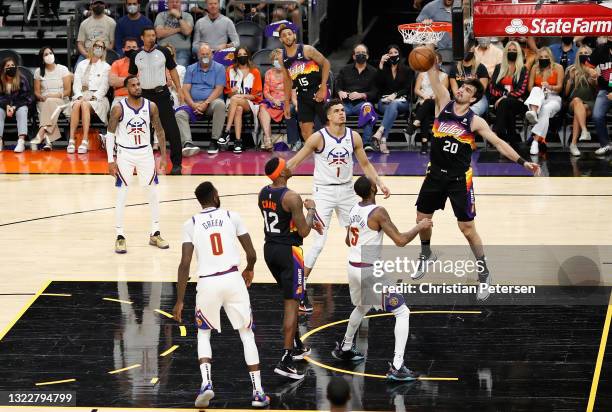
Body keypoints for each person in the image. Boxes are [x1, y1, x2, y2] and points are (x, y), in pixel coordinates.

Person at [412, 61, 540, 302]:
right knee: (422, 220)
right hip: (435, 175)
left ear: (473, 99)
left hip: (459, 179)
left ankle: (484, 273)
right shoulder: (443, 103)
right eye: (461, 88)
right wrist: (428, 51)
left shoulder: (474, 121)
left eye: (468, 90)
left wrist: (523, 162)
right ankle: (426, 254)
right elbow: (430, 70)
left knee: (467, 229)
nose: (461, 90)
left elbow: (500, 144)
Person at [172, 181, 271, 409]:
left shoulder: (191, 223)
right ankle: (257, 392)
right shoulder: (231, 216)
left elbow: (184, 265)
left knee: (203, 334)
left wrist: (179, 301)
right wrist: (249, 269)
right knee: (246, 334)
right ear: (216, 196)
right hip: (232, 278)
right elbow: (252, 253)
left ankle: (206, 384)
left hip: (207, 283)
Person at [286, 98, 391, 312]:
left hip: (346, 191)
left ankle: (369, 285)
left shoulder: (353, 137)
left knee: (361, 236)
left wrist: (379, 183)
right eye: (337, 111)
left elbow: (365, 164)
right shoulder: (318, 137)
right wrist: (278, 183)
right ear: (328, 116)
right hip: (323, 192)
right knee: (318, 243)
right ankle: (301, 290)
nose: (342, 113)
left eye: (343, 110)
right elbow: (295, 162)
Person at [332, 176, 432, 380]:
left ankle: (346, 347)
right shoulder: (378, 212)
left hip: (352, 266)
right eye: (373, 182)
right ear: (372, 189)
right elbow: (401, 240)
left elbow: (347, 240)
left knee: (362, 307)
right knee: (402, 312)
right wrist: (420, 226)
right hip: (369, 271)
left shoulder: (353, 209)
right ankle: (397, 365)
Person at [259, 157, 323, 379]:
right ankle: (286, 358)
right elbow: (304, 231)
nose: (289, 166)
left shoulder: (263, 193)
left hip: (270, 250)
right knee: (292, 302)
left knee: (289, 296)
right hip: (290, 252)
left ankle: (295, 343)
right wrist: (312, 210)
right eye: (285, 165)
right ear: (281, 173)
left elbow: (285, 221)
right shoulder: (292, 197)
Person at [105, 75, 169, 253]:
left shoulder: (151, 106)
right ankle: (119, 235)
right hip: (125, 153)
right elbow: (110, 134)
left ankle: (155, 233)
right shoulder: (118, 108)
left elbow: (160, 130)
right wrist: (111, 160)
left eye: (139, 84)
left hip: (145, 153)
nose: (137, 87)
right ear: (127, 88)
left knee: (153, 194)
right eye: (133, 85)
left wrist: (163, 156)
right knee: (122, 195)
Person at [129, 26, 184, 175]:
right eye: (149, 36)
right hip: (144, 96)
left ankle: (177, 164)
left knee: (172, 130)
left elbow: (172, 70)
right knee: (142, 131)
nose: (152, 38)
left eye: (153, 35)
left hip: (162, 95)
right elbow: (131, 77)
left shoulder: (164, 52)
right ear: (142, 38)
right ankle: (140, 164)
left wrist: (179, 89)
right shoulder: (136, 55)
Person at [279, 24, 331, 144]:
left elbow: (326, 63)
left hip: (317, 89)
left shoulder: (306, 49)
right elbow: (287, 81)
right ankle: (316, 156)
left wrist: (323, 87)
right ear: (281, 39)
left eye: (289, 34)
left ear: (294, 35)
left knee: (328, 123)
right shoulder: (282, 57)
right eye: (284, 35)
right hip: (302, 94)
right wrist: (286, 103)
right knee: (305, 131)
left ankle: (335, 149)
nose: (287, 37)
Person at [175, 43, 226, 156]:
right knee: (180, 114)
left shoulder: (219, 68)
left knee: (220, 105)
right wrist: (193, 105)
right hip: (193, 104)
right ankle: (187, 143)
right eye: (202, 54)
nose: (205, 56)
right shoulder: (191, 68)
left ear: (212, 55)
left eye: (207, 54)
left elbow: (219, 89)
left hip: (211, 104)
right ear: (198, 55)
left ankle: (214, 141)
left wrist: (206, 103)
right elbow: (185, 89)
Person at [69, 39, 111, 154]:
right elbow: (76, 84)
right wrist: (78, 96)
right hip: (81, 95)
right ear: (91, 47)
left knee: (85, 104)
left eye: (101, 47)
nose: (98, 48)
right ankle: (71, 140)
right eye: (96, 46)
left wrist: (92, 97)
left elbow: (104, 88)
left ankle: (85, 140)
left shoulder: (106, 67)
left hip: (98, 98)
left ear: (103, 50)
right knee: (78, 103)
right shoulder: (81, 64)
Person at [336, 43, 379, 152]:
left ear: (367, 56)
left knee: (368, 107)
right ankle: (337, 142)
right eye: (358, 53)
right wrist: (340, 91)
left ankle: (367, 143)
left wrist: (362, 95)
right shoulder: (345, 70)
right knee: (335, 111)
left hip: (362, 104)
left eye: (363, 53)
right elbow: (337, 85)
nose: (360, 55)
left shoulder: (374, 72)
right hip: (345, 104)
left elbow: (375, 92)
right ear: (354, 56)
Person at [373, 44, 413, 154]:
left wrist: (395, 94)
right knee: (393, 111)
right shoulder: (384, 69)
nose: (393, 55)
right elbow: (378, 84)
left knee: (394, 104)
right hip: (384, 102)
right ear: (386, 55)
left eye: (395, 52)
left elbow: (407, 88)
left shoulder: (406, 70)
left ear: (399, 54)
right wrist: (381, 64)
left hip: (402, 102)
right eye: (390, 53)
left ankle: (380, 131)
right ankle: (383, 140)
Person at [221, 46, 262, 154]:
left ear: (248, 56)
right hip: (233, 103)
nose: (242, 56)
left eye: (244, 54)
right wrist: (233, 92)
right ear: (236, 57)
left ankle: (226, 132)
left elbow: (257, 96)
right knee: (238, 108)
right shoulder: (230, 70)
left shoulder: (255, 72)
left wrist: (243, 96)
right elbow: (228, 94)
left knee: (236, 99)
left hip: (249, 103)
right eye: (239, 55)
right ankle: (238, 141)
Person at [524, 47, 564, 155]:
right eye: (541, 57)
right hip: (538, 98)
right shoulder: (535, 68)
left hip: (553, 97)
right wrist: (540, 89)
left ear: (551, 57)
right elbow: (529, 87)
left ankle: (535, 140)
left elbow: (560, 87)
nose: (543, 58)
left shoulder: (558, 67)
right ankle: (533, 112)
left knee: (546, 110)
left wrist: (550, 87)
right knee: (536, 89)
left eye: (546, 57)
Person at [407, 51, 448, 155]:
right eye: (432, 61)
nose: (434, 64)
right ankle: (424, 142)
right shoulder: (422, 74)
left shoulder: (444, 76)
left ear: (440, 63)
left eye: (437, 62)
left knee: (428, 103)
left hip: (437, 104)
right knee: (424, 111)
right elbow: (416, 90)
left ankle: (415, 126)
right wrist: (424, 96)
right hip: (422, 102)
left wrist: (433, 96)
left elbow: (443, 92)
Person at [489, 41, 529, 143]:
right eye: (509, 50)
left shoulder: (523, 69)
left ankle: (496, 132)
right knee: (507, 109)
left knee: (505, 102)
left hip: (518, 103)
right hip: (500, 104)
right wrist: (503, 96)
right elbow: (492, 88)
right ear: (505, 52)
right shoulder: (499, 67)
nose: (512, 52)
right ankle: (512, 139)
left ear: (519, 53)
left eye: (514, 50)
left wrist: (504, 96)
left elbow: (521, 90)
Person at [33, 47, 72, 151]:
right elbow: (36, 92)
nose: (49, 55)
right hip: (44, 100)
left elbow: (68, 91)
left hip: (62, 100)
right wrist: (41, 97)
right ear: (42, 58)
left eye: (50, 53)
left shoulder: (63, 69)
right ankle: (47, 141)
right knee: (46, 105)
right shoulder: (38, 72)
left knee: (49, 102)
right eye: (46, 54)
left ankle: (44, 135)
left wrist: (51, 96)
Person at [259, 49, 297, 151]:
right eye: (276, 59)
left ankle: (294, 141)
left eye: (280, 59)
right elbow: (266, 92)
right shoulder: (268, 73)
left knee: (291, 109)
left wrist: (284, 100)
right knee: (263, 107)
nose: (278, 61)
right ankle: (267, 139)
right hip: (272, 101)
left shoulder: (290, 72)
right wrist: (273, 99)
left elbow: (293, 90)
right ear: (272, 61)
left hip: (286, 102)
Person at [565, 46, 596, 157]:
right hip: (573, 102)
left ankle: (573, 144)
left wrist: (592, 77)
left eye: (586, 53)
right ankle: (584, 130)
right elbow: (566, 93)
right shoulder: (571, 69)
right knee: (577, 101)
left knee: (578, 115)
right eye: (581, 53)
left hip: (590, 103)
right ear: (578, 56)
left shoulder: (595, 69)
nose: (583, 55)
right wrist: (571, 79)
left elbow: (597, 89)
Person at [586, 36, 612, 156]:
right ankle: (605, 144)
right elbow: (587, 65)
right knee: (597, 115)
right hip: (605, 90)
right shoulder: (601, 49)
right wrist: (590, 71)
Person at [0, 58, 32, 153]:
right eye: (8, 66)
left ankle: (21, 141)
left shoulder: (22, 79)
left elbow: (27, 98)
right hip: (3, 107)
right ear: (3, 69)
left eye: (12, 65)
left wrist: (14, 107)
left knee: (22, 109)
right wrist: (6, 106)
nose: (11, 67)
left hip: (18, 106)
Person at [449, 43, 489, 116]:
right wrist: (463, 99)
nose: (467, 52)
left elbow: (482, 89)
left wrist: (470, 99)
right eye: (465, 49)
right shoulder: (454, 68)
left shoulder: (481, 67)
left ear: (474, 50)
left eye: (470, 49)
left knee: (472, 112)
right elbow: (455, 91)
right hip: (460, 96)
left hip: (477, 98)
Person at [154, 0, 194, 67]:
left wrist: (179, 17)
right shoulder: (161, 15)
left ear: (180, 3)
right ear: (167, 4)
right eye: (172, 2)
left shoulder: (187, 16)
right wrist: (179, 29)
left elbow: (187, 31)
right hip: (164, 49)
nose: (174, 4)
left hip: (182, 50)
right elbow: (159, 33)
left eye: (177, 2)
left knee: (180, 70)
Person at [76, 0, 116, 65]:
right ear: (91, 6)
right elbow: (80, 43)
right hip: (88, 54)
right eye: (96, 3)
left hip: (106, 54)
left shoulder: (112, 22)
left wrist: (103, 55)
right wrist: (86, 55)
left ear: (104, 5)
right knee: (77, 67)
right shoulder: (84, 23)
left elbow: (112, 43)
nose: (98, 5)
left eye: (101, 3)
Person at [110, 38, 140, 108]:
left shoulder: (144, 63)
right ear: (123, 49)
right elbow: (113, 82)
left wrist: (122, 81)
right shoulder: (116, 63)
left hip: (139, 97)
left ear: (138, 49)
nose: (131, 49)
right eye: (128, 47)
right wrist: (135, 79)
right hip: (120, 98)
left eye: (134, 47)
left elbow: (145, 81)